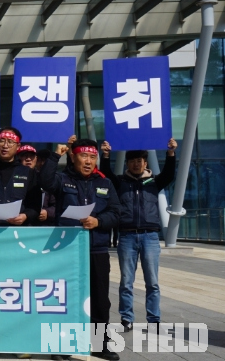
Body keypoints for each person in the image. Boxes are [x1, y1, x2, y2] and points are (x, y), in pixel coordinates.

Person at [39, 138, 121, 361]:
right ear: (73, 157)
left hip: (96, 250)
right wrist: (56, 155)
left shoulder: (105, 183)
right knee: (64, 298)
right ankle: (62, 345)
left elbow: (116, 212)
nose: (88, 161)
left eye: (92, 157)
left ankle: (100, 344)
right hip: (67, 249)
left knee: (100, 300)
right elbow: (45, 181)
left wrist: (99, 221)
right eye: (83, 156)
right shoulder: (62, 179)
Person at [100, 139, 177, 331]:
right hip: (126, 236)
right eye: (133, 160)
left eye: (140, 160)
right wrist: (106, 155)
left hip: (150, 236)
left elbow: (169, 174)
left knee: (153, 282)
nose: (136, 163)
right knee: (126, 282)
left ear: (146, 163)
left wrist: (170, 153)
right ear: (127, 163)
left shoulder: (154, 182)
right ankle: (127, 318)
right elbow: (106, 173)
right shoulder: (120, 182)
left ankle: (154, 319)